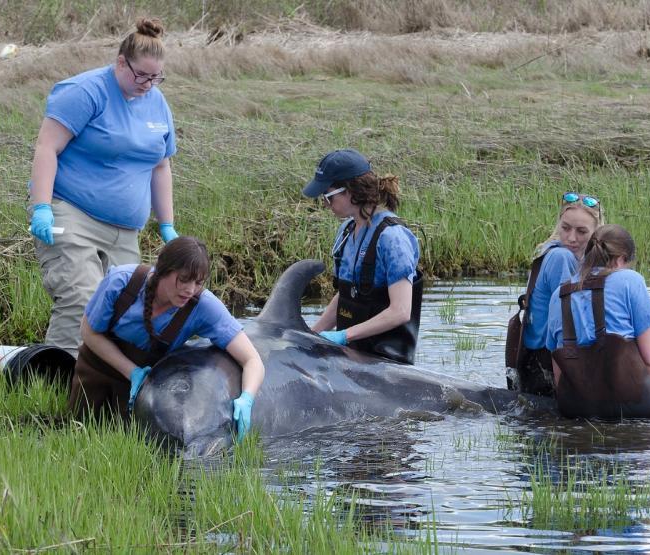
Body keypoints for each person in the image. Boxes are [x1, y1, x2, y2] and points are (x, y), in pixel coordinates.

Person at [28, 17, 179, 358]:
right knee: (80, 298)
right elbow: (46, 148)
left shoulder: (157, 102)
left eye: (156, 77)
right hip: (70, 211)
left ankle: (104, 386)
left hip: (125, 228)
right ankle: (63, 383)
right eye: (141, 75)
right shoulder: (85, 92)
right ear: (120, 62)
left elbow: (160, 165)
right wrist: (42, 207)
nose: (147, 84)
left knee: (124, 307)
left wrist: (166, 224)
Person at [69, 236, 264, 441]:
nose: (190, 290)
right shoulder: (122, 282)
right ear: (163, 269)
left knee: (128, 440)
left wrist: (247, 398)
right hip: (95, 371)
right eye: (183, 279)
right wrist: (132, 372)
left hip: (144, 388)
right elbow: (89, 332)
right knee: (79, 432)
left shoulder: (203, 306)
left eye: (198, 282)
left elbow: (252, 360)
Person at [302, 149, 423, 365]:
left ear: (350, 192)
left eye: (328, 196)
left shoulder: (393, 238)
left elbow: (401, 311)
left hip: (386, 364)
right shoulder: (346, 231)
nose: (324, 204)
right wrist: (312, 334)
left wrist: (344, 335)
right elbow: (348, 295)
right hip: (352, 356)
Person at [545, 224, 650, 418]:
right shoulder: (630, 280)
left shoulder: (557, 295)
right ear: (621, 259)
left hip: (577, 407)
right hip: (634, 401)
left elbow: (558, 369)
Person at [506, 192, 603, 396]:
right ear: (558, 223)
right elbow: (568, 322)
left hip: (541, 361)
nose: (571, 238)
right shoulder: (561, 256)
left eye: (581, 231)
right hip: (545, 366)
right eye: (565, 228)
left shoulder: (580, 260)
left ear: (596, 234)